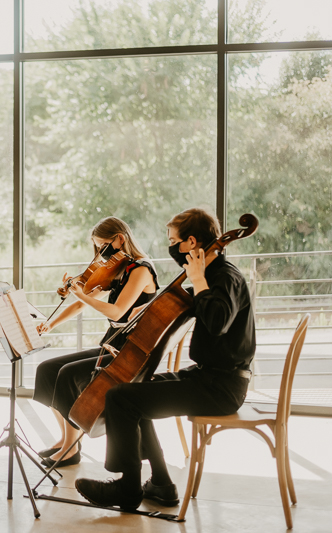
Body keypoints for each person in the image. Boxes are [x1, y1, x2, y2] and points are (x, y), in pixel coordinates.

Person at [74, 207, 256, 510]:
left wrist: (197, 279)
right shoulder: (211, 276)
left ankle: (128, 487)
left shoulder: (225, 277)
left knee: (122, 398)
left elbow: (217, 322)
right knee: (136, 391)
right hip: (205, 377)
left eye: (174, 240)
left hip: (222, 388)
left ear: (191, 243)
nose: (171, 246)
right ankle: (161, 483)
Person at [33, 217, 159, 467]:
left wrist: (83, 294)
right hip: (110, 342)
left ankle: (71, 448)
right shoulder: (118, 268)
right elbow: (81, 303)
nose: (101, 253)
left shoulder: (141, 270)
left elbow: (117, 312)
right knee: (46, 370)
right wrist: (51, 323)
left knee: (67, 375)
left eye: (102, 245)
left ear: (119, 239)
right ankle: (68, 439)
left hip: (129, 350)